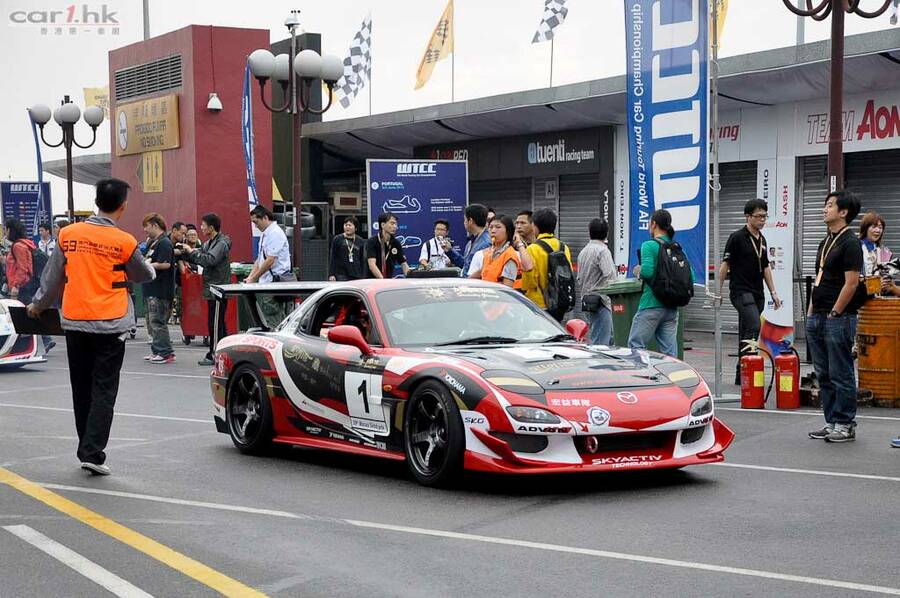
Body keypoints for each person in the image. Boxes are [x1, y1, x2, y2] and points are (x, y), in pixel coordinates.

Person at [27, 178, 155, 476]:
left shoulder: (68, 234)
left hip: (75, 321)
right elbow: (144, 274)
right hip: (111, 323)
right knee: (104, 388)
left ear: (97, 202)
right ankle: (92, 452)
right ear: (123, 206)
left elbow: (52, 277)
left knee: (81, 386)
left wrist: (38, 305)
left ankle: (86, 447)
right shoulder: (124, 241)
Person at [806, 190, 863, 443]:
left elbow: (851, 283)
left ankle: (845, 424)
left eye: (830, 205)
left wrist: (835, 312)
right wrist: (811, 311)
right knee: (824, 373)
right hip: (817, 315)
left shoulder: (850, 242)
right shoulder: (826, 241)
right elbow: (820, 279)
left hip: (838, 317)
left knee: (841, 373)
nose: (824, 209)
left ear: (843, 212)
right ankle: (831, 421)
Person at [717, 199, 783, 384]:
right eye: (758, 216)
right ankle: (750, 365)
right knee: (754, 325)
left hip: (757, 293)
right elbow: (725, 266)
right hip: (740, 291)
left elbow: (766, 267)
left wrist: (774, 293)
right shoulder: (737, 237)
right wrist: (718, 292)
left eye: (764, 216)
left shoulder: (762, 239)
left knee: (746, 329)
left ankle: (742, 374)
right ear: (748, 216)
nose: (762, 220)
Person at [627, 209, 690, 358]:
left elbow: (647, 272)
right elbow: (690, 275)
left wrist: (638, 270)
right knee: (669, 353)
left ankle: (641, 373)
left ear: (654, 224)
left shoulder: (649, 245)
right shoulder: (677, 248)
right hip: (672, 308)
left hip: (651, 304)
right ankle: (671, 373)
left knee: (636, 345)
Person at [181, 213, 232, 366]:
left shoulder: (221, 243)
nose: (201, 228)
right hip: (211, 288)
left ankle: (215, 354)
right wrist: (184, 252)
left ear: (211, 227)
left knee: (215, 324)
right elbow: (200, 258)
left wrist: (192, 252)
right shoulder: (209, 243)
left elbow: (209, 260)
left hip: (218, 289)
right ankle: (224, 353)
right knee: (216, 323)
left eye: (203, 225)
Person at [246, 205, 294, 327]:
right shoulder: (265, 234)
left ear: (265, 218)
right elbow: (260, 259)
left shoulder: (275, 233)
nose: (255, 226)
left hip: (274, 283)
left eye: (256, 222)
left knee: (274, 320)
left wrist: (254, 278)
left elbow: (269, 261)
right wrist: (250, 277)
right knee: (269, 318)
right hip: (266, 283)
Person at [521, 208, 572, 318]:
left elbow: (529, 283)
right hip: (559, 302)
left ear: (535, 226)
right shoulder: (564, 247)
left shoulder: (532, 249)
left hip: (539, 303)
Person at [141, 213, 176, 364]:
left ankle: (165, 352)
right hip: (151, 288)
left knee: (158, 321)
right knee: (152, 321)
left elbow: (166, 264)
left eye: (146, 226)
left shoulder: (164, 243)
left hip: (160, 290)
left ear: (155, 225)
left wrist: (148, 264)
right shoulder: (153, 242)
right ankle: (157, 350)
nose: (144, 230)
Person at [577, 218, 618, 346]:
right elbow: (610, 276)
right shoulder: (603, 251)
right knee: (601, 345)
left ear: (589, 232)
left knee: (603, 338)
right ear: (606, 234)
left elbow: (579, 278)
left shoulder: (583, 252)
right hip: (601, 303)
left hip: (587, 302)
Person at [468, 214, 532, 287]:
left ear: (508, 231)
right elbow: (483, 272)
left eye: (498, 227)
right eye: (490, 227)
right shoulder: (490, 253)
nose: (493, 231)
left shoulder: (509, 256)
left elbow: (507, 288)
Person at [445, 204, 491, 277]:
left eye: (465, 219)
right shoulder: (471, 242)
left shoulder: (486, 243)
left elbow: (483, 271)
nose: (464, 222)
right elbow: (465, 265)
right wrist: (449, 251)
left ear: (470, 221)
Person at [366, 212, 409, 278]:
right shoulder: (372, 241)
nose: (395, 226)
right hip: (373, 280)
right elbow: (372, 265)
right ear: (383, 225)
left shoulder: (396, 243)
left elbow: (403, 264)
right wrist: (383, 280)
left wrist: (410, 277)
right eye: (392, 223)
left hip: (388, 280)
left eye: (396, 224)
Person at [329, 216, 365, 281]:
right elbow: (333, 257)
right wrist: (331, 274)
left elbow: (362, 259)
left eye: (350, 225)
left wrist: (363, 275)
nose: (347, 227)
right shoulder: (337, 239)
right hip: (341, 274)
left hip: (357, 274)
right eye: (346, 225)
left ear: (355, 228)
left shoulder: (360, 241)